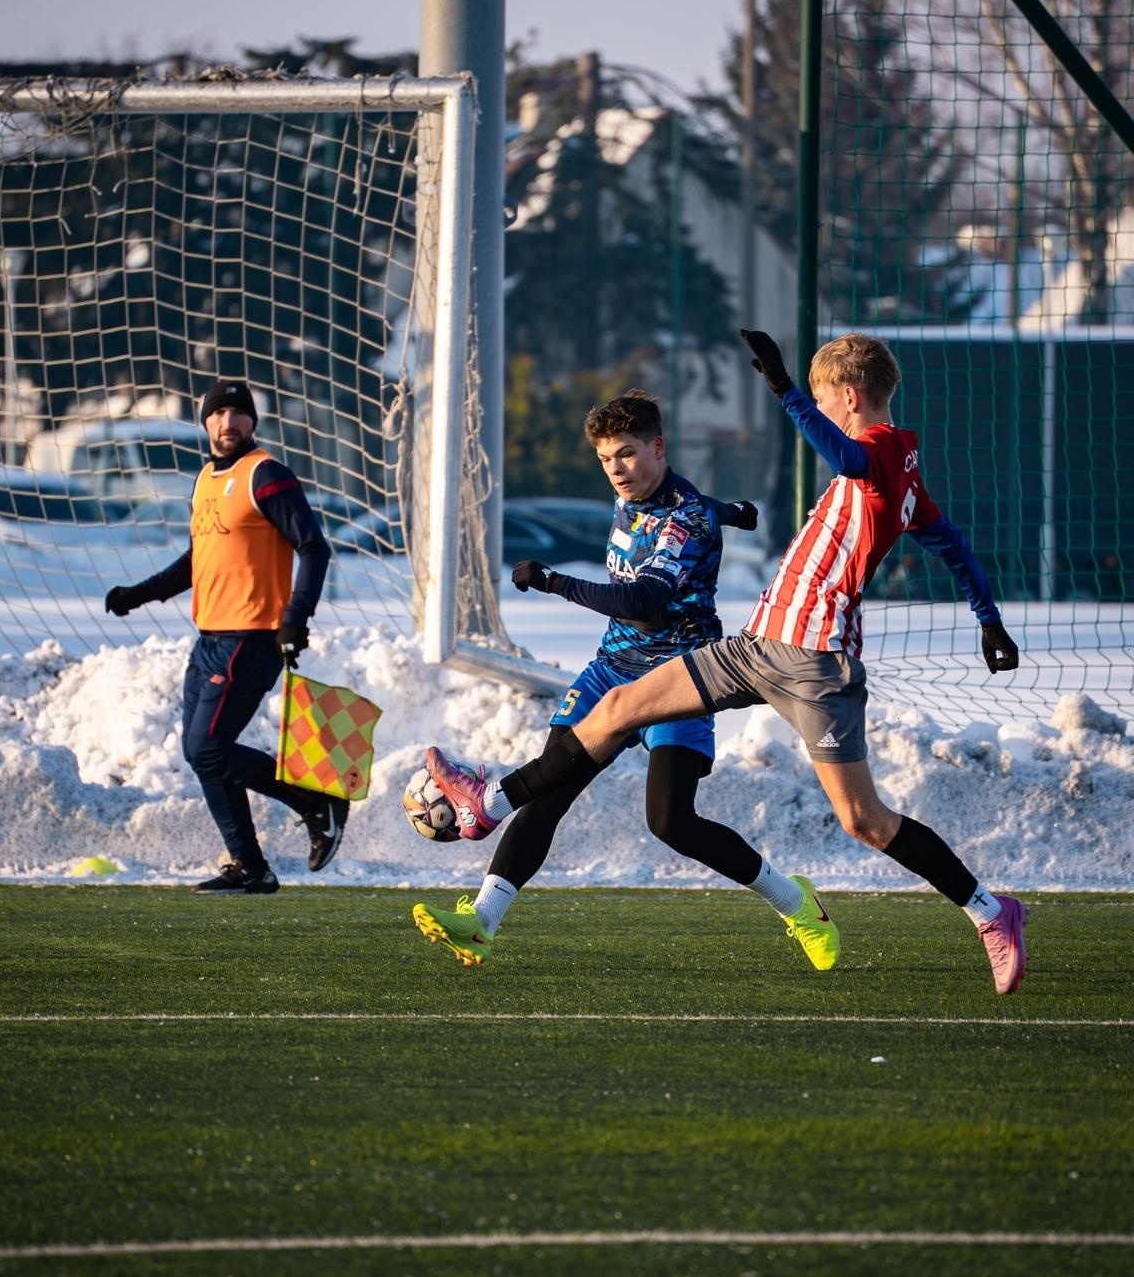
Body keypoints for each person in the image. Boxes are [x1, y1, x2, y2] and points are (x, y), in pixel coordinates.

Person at [423, 331, 1029, 996]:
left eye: (828, 401)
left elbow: (849, 458)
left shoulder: (878, 454)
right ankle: (486, 806)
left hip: (815, 665)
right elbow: (951, 541)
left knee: (862, 820)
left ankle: (992, 913)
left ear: (849, 399)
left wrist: (785, 392)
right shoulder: (897, 471)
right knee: (616, 709)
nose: (821, 411)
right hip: (753, 647)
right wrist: (989, 618)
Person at [413, 386, 839, 971]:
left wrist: (553, 581)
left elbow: (643, 599)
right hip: (609, 670)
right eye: (606, 458)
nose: (617, 469)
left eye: (628, 454)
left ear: (657, 448)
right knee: (546, 795)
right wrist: (733, 510)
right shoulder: (650, 494)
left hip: (679, 680)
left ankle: (798, 904)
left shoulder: (684, 520)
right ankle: (482, 921)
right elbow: (688, 503)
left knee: (672, 822)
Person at [104, 378, 344, 894]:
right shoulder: (206, 480)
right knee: (201, 753)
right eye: (219, 413)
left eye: (239, 414)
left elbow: (314, 547)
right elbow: (198, 560)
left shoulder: (266, 474)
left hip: (251, 637)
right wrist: (138, 594)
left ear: (252, 423)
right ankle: (250, 867)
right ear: (205, 422)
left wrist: (295, 618)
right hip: (210, 636)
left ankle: (313, 802)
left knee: (208, 748)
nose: (228, 422)